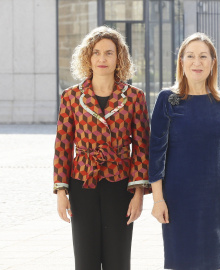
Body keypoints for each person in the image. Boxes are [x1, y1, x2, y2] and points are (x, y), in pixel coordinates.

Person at [53, 26, 151, 270]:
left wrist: (138, 193)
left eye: (109, 53)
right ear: (88, 57)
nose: (102, 59)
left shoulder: (134, 97)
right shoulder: (71, 97)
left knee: (118, 259)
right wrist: (61, 192)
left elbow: (141, 147)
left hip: (120, 184)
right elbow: (63, 145)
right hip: (82, 183)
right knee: (85, 259)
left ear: (119, 58)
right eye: (96, 53)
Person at [149, 32, 220, 270]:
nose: (197, 62)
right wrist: (158, 199)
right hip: (178, 199)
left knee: (215, 263)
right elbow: (156, 153)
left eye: (203, 56)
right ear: (181, 61)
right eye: (190, 56)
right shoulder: (168, 99)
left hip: (217, 199)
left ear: (212, 62)